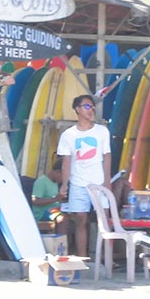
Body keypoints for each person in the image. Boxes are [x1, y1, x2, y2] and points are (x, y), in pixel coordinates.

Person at [57, 94, 112, 257]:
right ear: (77, 110)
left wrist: (107, 181)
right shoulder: (68, 135)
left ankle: (107, 259)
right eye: (87, 106)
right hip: (78, 182)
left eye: (92, 106)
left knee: (104, 219)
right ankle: (83, 258)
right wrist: (65, 185)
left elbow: (107, 157)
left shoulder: (102, 131)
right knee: (80, 219)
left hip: (99, 182)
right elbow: (66, 162)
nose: (91, 110)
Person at [30, 159, 68, 226]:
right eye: (64, 176)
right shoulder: (41, 181)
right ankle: (61, 236)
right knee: (62, 219)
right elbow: (35, 201)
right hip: (42, 213)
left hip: (55, 210)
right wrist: (55, 199)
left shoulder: (55, 183)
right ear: (58, 172)